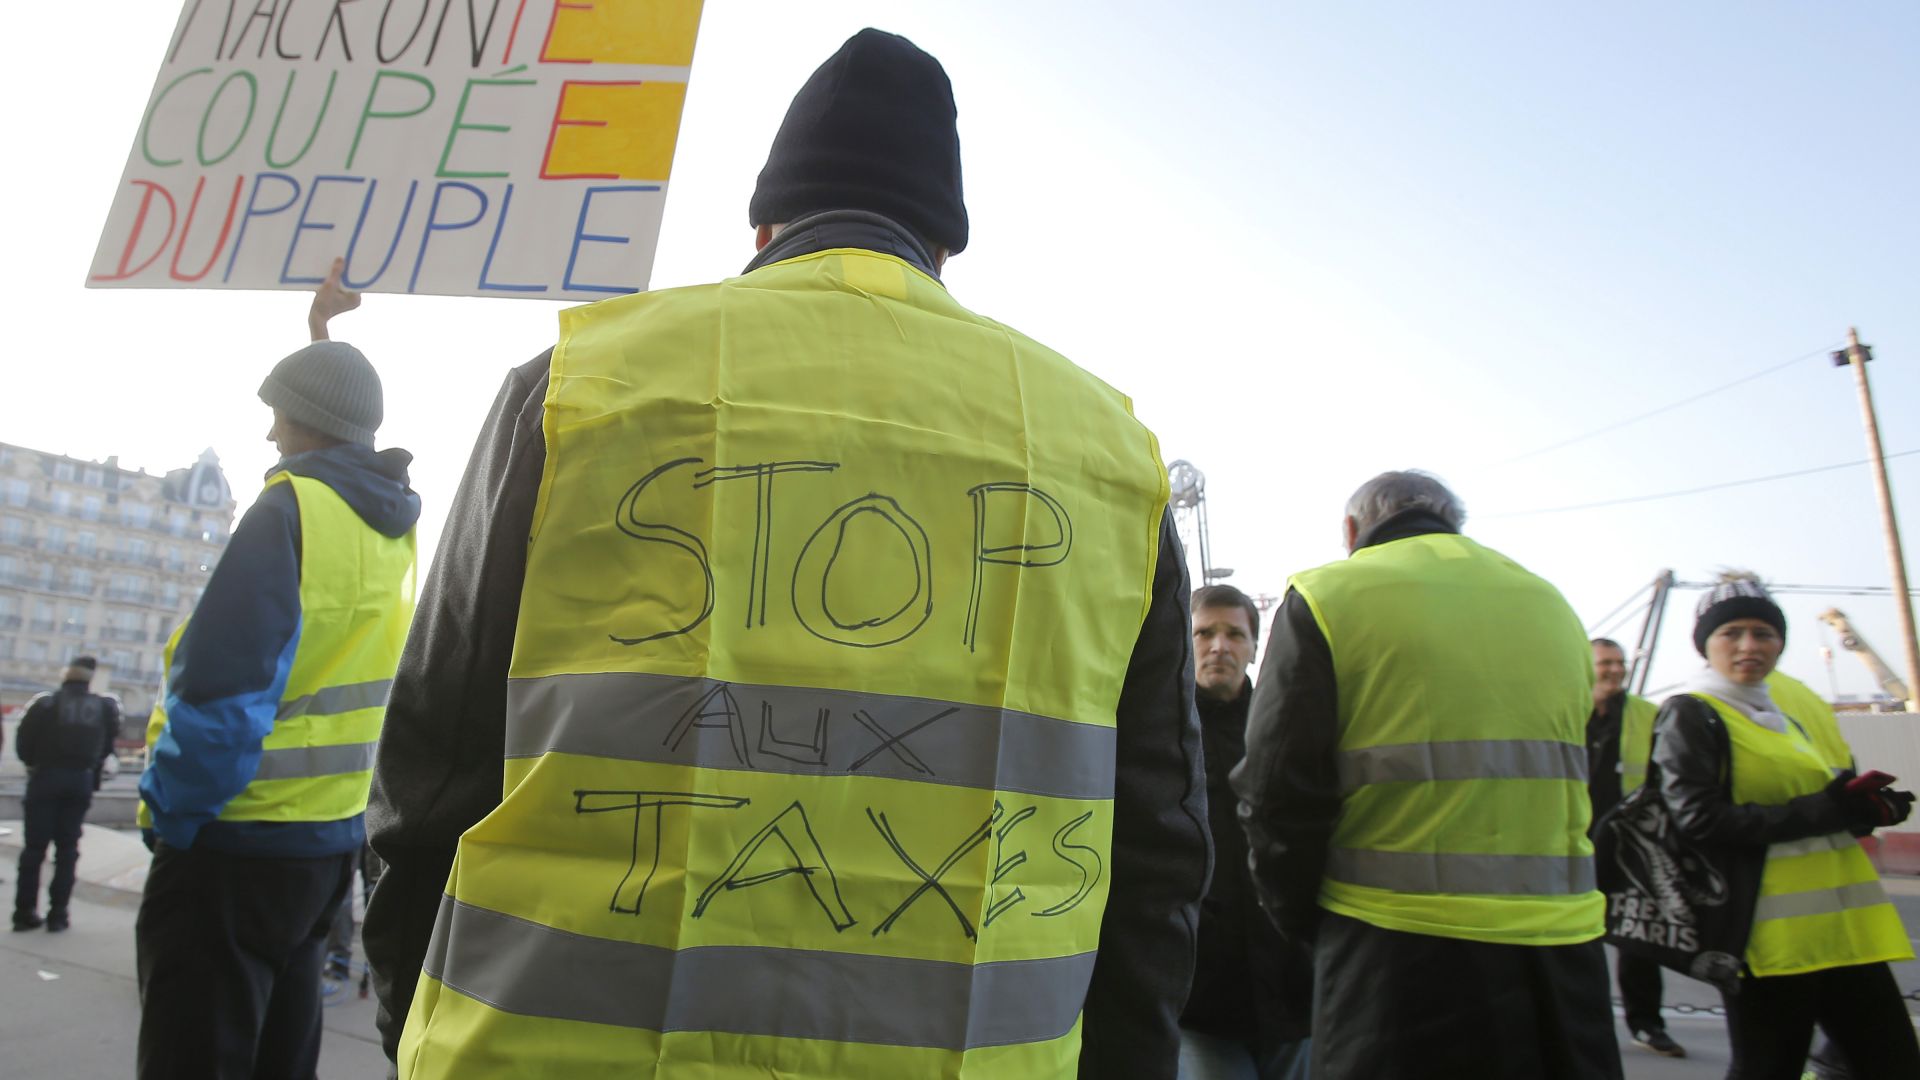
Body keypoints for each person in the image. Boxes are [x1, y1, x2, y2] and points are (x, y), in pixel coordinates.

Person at [363, 28, 1207, 1080]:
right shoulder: (1107, 456)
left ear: (765, 224)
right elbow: (1160, 844)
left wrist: (407, 1021)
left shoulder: (576, 388)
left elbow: (432, 768)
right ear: (944, 245)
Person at [1233, 470, 1621, 1080]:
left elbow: (1277, 788)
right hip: (1561, 959)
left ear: (1352, 530)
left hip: (1392, 957)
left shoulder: (1329, 595)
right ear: (1454, 523)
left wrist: (1302, 920)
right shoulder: (1551, 602)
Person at [134, 278, 420, 1079]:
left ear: (306, 420)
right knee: (281, 1054)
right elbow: (343, 413)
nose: (269, 431)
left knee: (194, 1054)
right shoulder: (391, 521)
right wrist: (320, 330)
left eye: (279, 413)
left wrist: (172, 816)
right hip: (327, 842)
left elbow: (220, 698)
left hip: (235, 839)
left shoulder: (285, 511)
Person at [1651, 577, 1918, 1080]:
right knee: (1768, 1069)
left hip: (1844, 932)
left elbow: (1811, 806)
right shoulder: (1692, 712)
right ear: (1705, 644)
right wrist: (1827, 809)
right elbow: (1697, 819)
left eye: (1763, 633)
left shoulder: (1778, 715)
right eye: (1731, 633)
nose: (1749, 646)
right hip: (1769, 940)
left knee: (1895, 1065)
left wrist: (1862, 810)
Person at [1181, 585, 1310, 1080]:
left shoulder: (1289, 728)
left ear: (1255, 647)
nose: (1219, 646)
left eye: (1235, 634)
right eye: (1204, 633)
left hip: (1292, 985)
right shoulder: (1162, 735)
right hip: (1202, 996)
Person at [1586, 637, 1684, 1058]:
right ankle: (1583, 1024)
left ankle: (1647, 1025)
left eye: (1619, 662)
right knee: (1577, 942)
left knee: (1638, 940)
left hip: (1631, 846)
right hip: (1574, 843)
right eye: (1605, 662)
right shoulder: (1564, 712)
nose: (1614, 669)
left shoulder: (1647, 715)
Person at [12, 656, 121, 932]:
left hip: (44, 778)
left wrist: (37, 764)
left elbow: (23, 746)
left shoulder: (45, 704)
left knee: (34, 849)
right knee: (68, 849)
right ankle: (58, 914)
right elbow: (108, 746)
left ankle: (24, 912)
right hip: (80, 780)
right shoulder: (103, 707)